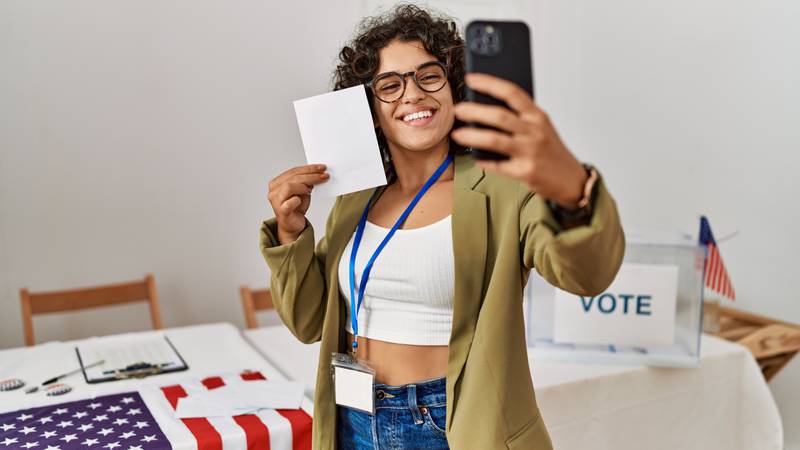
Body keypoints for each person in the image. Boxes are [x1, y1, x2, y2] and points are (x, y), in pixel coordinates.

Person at [260, 5, 625, 449]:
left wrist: (572, 188)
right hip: (353, 419)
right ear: (371, 110)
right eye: (390, 86)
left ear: (454, 90)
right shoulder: (356, 199)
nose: (412, 94)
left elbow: (587, 275)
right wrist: (290, 233)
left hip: (450, 422)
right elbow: (308, 322)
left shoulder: (506, 191)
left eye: (428, 76)